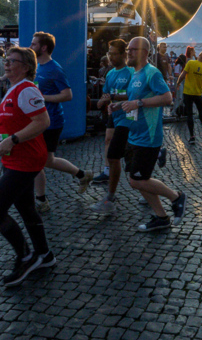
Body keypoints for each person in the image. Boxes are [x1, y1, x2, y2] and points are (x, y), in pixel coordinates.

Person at [0, 47, 56, 286]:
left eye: (13, 61)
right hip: (15, 158)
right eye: (7, 60)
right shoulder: (13, 89)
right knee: (26, 208)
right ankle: (45, 255)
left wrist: (12, 140)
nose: (7, 64)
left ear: (26, 67)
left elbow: (42, 121)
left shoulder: (27, 89)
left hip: (25, 160)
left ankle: (26, 257)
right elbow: (12, 125)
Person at [121, 37, 186, 232]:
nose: (128, 52)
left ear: (144, 52)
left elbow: (167, 98)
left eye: (132, 49)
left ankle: (176, 197)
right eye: (128, 49)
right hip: (134, 134)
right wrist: (120, 105)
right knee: (139, 181)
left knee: (137, 180)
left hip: (148, 137)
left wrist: (139, 103)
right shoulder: (135, 73)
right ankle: (162, 217)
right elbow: (135, 99)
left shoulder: (152, 72)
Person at [30, 32, 93, 212]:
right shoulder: (36, 66)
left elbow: (67, 95)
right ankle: (82, 175)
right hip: (38, 119)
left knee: (37, 161)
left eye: (34, 44)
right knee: (47, 160)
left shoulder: (55, 68)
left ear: (43, 48)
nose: (30, 46)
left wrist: (43, 98)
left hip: (51, 121)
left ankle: (41, 201)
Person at [91, 39, 134, 215]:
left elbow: (134, 94)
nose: (111, 57)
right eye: (110, 53)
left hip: (128, 116)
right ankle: (109, 179)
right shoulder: (110, 74)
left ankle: (111, 196)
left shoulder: (131, 72)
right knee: (109, 144)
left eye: (115, 54)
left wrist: (114, 97)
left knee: (119, 154)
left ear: (124, 54)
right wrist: (102, 101)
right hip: (114, 114)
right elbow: (107, 94)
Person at [177, 50, 202, 144]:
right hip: (198, 93)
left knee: (190, 114)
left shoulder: (190, 63)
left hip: (188, 92)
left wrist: (178, 83)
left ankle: (192, 136)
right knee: (201, 112)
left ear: (200, 55)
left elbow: (182, 75)